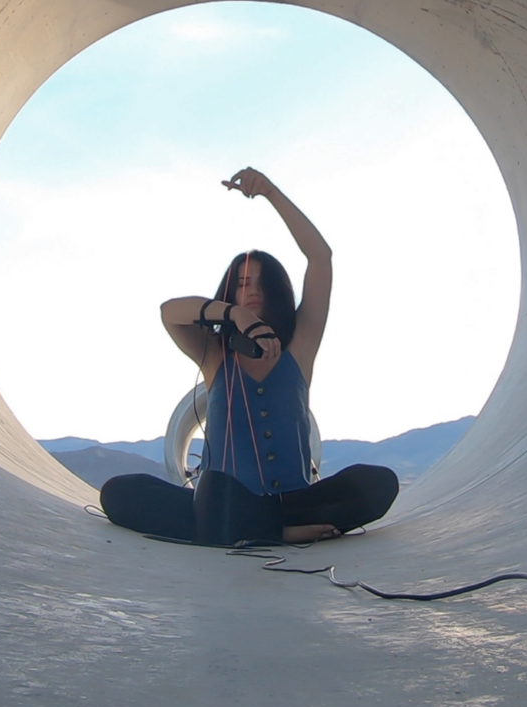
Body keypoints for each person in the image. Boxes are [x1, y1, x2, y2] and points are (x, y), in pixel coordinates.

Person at [99, 168, 399, 546]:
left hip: (291, 501)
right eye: (242, 284)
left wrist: (271, 192)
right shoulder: (214, 355)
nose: (252, 291)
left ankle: (242, 529)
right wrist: (234, 315)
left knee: (378, 483)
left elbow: (320, 258)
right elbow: (169, 311)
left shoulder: (300, 347)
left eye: (260, 282)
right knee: (119, 492)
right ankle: (273, 532)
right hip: (223, 499)